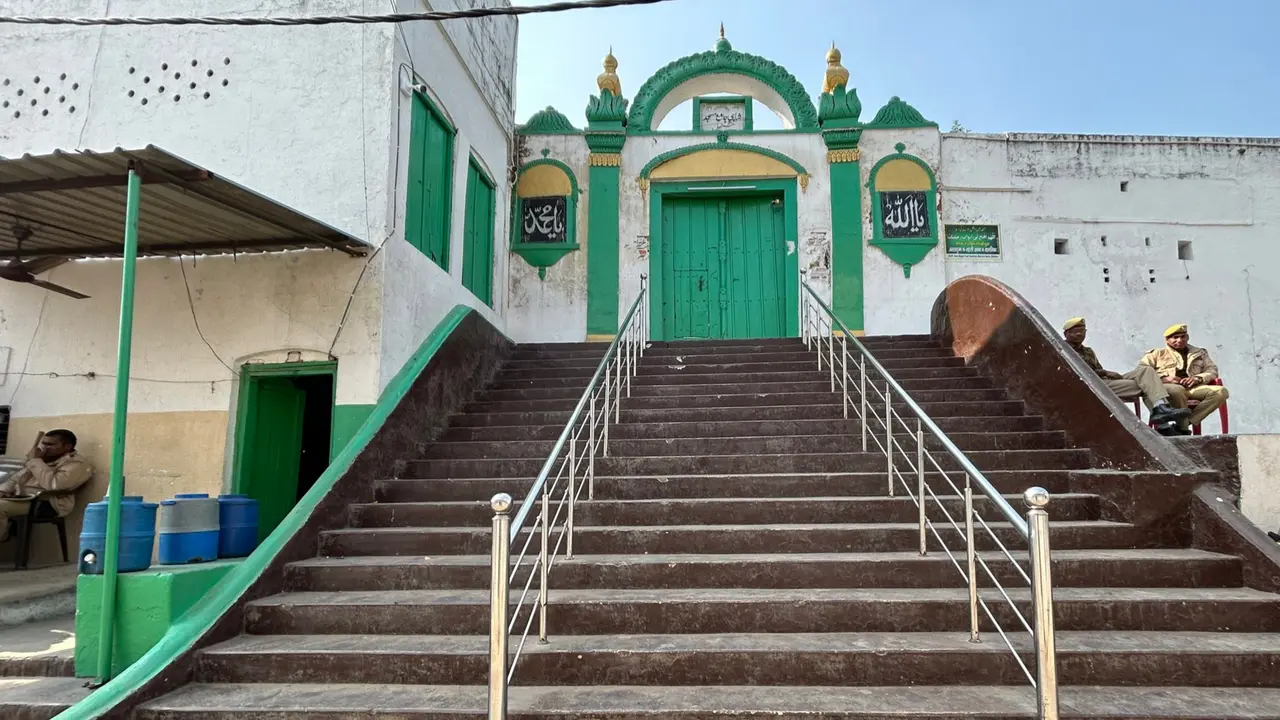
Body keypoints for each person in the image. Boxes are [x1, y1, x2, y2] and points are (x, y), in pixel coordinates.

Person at [1061, 317, 1191, 435]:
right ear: (1066, 334)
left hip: (1104, 381)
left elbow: (1098, 368)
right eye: (1075, 331)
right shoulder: (1063, 349)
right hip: (1091, 384)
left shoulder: (1088, 351)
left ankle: (1160, 407)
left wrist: (1107, 374)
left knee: (1145, 371)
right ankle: (1163, 424)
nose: (1079, 334)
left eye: (1082, 331)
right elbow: (1078, 371)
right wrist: (1106, 373)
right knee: (1147, 385)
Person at [0, 429, 93, 542]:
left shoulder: (76, 463)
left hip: (48, 503)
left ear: (67, 447)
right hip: (22, 499)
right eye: (43, 443)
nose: (44, 448)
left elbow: (54, 485)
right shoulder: (44, 460)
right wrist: (3, 491)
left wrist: (35, 461)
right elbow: (15, 479)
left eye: (51, 445)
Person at [1140, 324, 1230, 433]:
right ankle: (1183, 429)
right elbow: (1142, 371)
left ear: (1187, 337)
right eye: (1175, 337)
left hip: (1194, 388)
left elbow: (1212, 370)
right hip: (1168, 389)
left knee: (1221, 392)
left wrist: (1198, 378)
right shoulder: (1157, 354)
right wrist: (1165, 379)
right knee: (1177, 390)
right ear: (1167, 340)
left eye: (1183, 336)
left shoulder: (1199, 353)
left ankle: (1186, 422)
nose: (1180, 340)